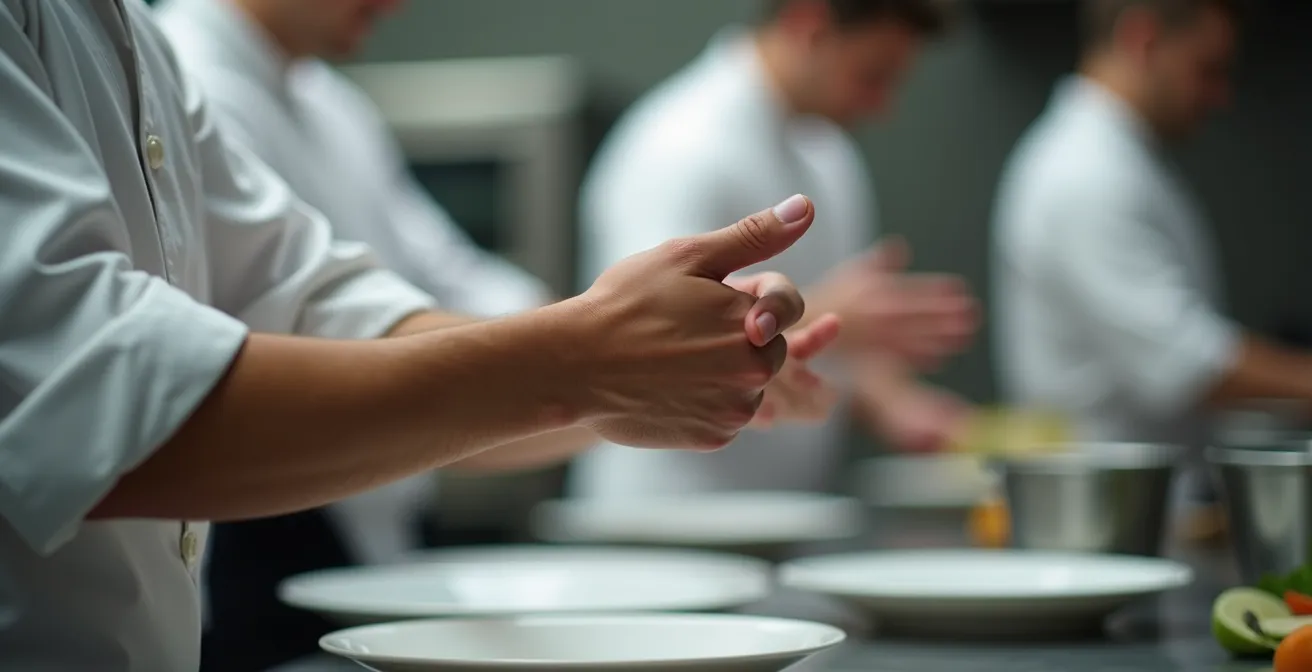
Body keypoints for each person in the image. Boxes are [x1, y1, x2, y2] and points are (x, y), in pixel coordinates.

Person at [0, 1, 840, 668]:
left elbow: (354, 313)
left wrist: (648, 364)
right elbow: (101, 411)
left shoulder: (144, 49)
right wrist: (589, 361)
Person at [150, 1, 568, 665]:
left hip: (377, 505)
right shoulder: (181, 72)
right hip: (256, 535)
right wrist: (592, 355)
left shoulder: (332, 103)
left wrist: (595, 336)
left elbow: (434, 275)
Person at [573, 0, 978, 500]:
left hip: (783, 511)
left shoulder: (827, 155)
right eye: (872, 75)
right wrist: (835, 315)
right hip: (666, 513)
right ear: (807, 23)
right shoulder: (679, 145)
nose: (882, 105)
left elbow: (826, 350)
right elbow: (642, 336)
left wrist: (895, 404)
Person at [993, 0, 1312, 505]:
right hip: (1102, 510)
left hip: (1135, 503)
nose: (1220, 94)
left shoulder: (1122, 160)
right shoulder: (1084, 172)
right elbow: (1189, 363)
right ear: (1142, 39)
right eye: (1206, 69)